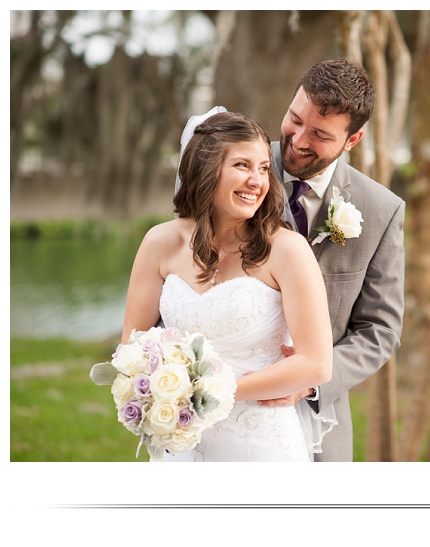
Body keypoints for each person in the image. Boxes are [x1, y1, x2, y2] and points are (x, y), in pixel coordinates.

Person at [122, 111, 334, 462]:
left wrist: (205, 393)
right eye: (242, 165)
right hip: (179, 440)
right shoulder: (160, 242)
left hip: (262, 444)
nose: (257, 181)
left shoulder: (287, 249)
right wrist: (161, 394)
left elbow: (315, 363)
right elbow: (132, 347)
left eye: (264, 168)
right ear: (206, 171)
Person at [263, 59, 406, 462]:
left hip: (320, 430)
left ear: (352, 140)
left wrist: (310, 381)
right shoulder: (233, 175)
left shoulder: (382, 210)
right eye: (295, 119)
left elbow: (379, 329)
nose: (298, 139)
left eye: (320, 134)